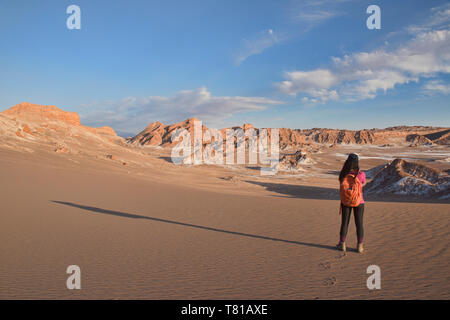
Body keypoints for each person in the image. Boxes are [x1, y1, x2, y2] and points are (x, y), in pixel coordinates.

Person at [337, 153, 366, 253]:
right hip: (359, 202)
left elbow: (341, 183)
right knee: (359, 224)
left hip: (346, 202)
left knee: (344, 223)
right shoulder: (361, 175)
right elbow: (362, 182)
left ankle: (342, 244)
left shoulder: (342, 174)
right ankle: (360, 247)